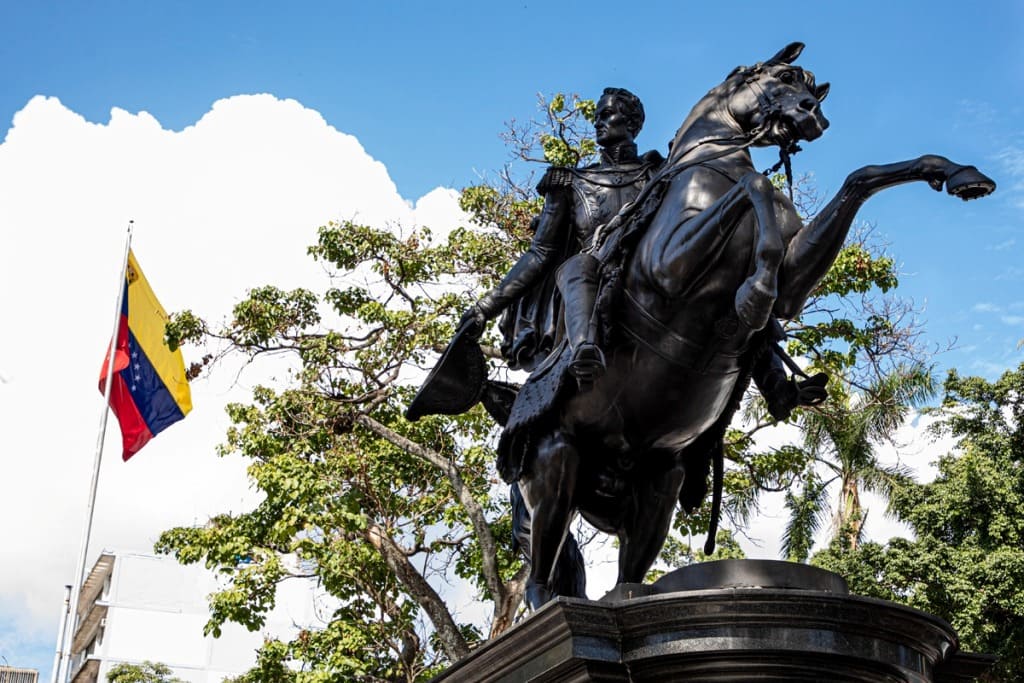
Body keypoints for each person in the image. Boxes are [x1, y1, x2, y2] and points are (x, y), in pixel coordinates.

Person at [461, 87, 662, 388]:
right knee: (578, 265)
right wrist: (485, 308)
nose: (598, 122)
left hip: (651, 273)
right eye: (596, 117)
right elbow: (540, 253)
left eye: (607, 114)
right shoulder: (571, 182)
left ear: (632, 122)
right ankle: (584, 349)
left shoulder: (658, 176)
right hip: (592, 277)